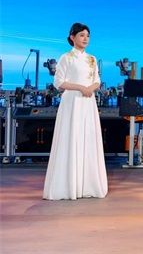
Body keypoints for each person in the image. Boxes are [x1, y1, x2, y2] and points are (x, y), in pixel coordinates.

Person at [43, 22, 108, 200]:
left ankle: (88, 185)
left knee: (88, 138)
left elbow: (97, 80)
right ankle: (68, 185)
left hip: (88, 102)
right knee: (71, 137)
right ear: (72, 37)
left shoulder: (92, 59)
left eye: (88, 36)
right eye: (82, 35)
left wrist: (90, 88)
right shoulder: (66, 58)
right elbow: (59, 82)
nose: (85, 38)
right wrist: (80, 88)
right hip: (72, 102)